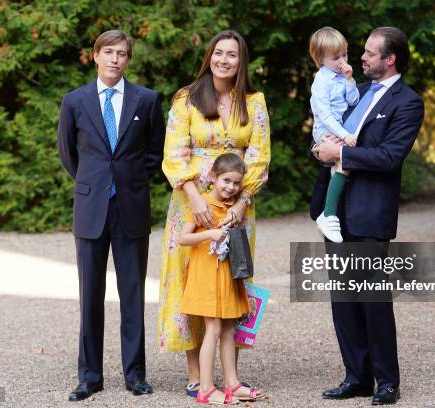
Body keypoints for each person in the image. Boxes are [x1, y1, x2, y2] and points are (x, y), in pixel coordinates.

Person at [312, 27, 424, 405]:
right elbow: (328, 126)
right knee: (343, 300)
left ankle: (386, 382)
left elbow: (390, 157)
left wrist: (340, 156)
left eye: (370, 53)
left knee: (373, 301)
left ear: (389, 58)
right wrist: (320, 148)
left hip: (370, 211)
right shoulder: (354, 90)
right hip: (337, 212)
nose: (361, 57)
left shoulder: (408, 102)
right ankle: (355, 377)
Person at [157, 29, 271, 398]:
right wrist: (195, 197)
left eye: (232, 54)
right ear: (210, 57)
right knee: (191, 281)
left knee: (232, 281)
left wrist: (241, 202)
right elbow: (174, 152)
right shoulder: (187, 98)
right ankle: (196, 373)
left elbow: (259, 155)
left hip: (239, 203)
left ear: (241, 61)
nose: (224, 60)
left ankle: (232, 375)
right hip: (191, 201)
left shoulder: (253, 102)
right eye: (219, 53)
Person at [57, 30, 165, 402]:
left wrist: (129, 182)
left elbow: (155, 153)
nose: (115, 59)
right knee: (90, 295)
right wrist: (95, 185)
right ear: (95, 56)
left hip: (131, 207)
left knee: (132, 294)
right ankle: (90, 376)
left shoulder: (147, 100)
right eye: (108, 52)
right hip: (91, 209)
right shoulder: (74, 101)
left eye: (121, 53)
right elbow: (69, 154)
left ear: (127, 60)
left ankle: (135, 375)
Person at [178, 153, 264, 405]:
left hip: (227, 276)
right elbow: (183, 239)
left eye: (236, 183)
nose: (231, 187)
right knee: (213, 328)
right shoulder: (202, 205)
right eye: (226, 180)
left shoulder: (234, 207)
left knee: (229, 328)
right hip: (206, 276)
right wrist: (209, 234)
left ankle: (232, 383)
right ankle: (205, 388)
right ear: (214, 178)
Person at [309, 27, 359, 243]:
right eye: (336, 57)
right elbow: (324, 115)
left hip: (340, 126)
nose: (342, 61)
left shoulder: (342, 75)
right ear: (320, 59)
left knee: (342, 166)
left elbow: (354, 101)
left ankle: (329, 215)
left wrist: (349, 79)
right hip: (326, 129)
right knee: (343, 162)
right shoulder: (321, 81)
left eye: (345, 54)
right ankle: (328, 214)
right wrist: (345, 135)